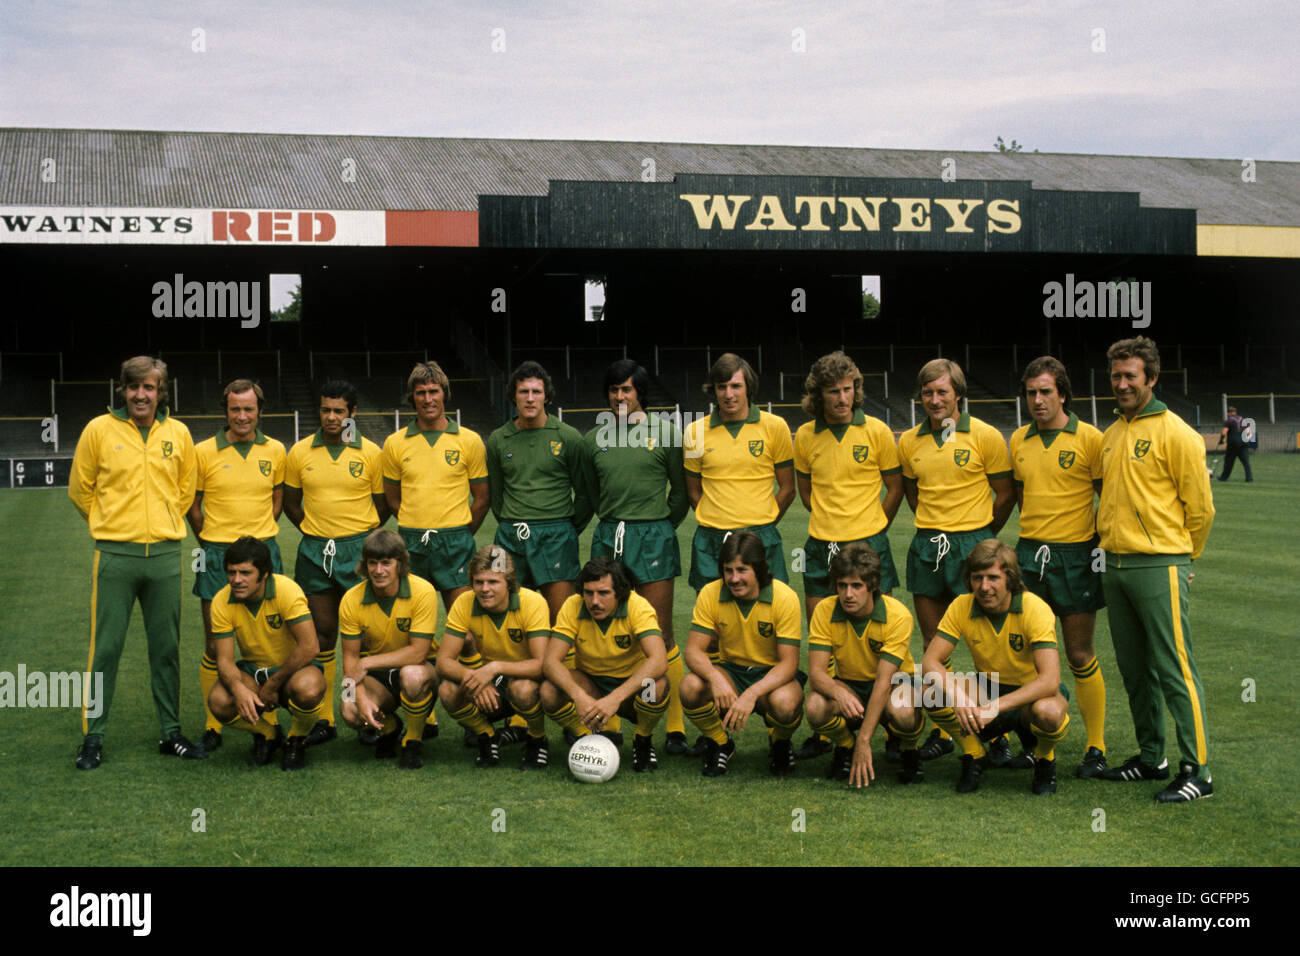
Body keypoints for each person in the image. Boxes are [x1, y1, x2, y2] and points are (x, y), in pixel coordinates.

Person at [69, 355, 205, 769]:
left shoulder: (178, 433)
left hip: (165, 556)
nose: (141, 395)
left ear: (161, 391)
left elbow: (186, 489)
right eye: (134, 387)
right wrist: (109, 524)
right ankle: (93, 737)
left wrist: (164, 522)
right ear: (123, 390)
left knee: (166, 648)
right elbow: (80, 489)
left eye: (149, 387)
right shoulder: (98, 429)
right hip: (115, 555)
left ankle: (171, 733)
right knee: (105, 649)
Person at [1096, 336, 1216, 802]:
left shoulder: (1178, 433)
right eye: (1116, 376)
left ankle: (1198, 771)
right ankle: (1152, 758)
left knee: (1174, 668)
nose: (1122, 384)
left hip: (1159, 564)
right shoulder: (1112, 433)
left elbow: (1201, 510)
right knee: (1133, 669)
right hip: (1116, 564)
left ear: (1151, 378)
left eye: (1131, 376)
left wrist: (1185, 560)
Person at [897, 358, 1014, 762]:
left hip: (972, 547)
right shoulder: (909, 441)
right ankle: (942, 731)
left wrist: (979, 536)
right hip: (927, 545)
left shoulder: (985, 436)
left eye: (942, 392)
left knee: (987, 647)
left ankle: (994, 729)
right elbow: (914, 496)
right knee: (933, 645)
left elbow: (1005, 494)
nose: (934, 400)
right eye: (927, 393)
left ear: (958, 395)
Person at [792, 350, 903, 761]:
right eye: (832, 392)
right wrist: (831, 524)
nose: (841, 398)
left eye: (847, 389)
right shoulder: (804, 436)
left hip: (870, 542)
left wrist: (874, 529)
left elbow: (894, 488)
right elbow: (807, 493)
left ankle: (891, 727)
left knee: (882, 636)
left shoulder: (876, 430)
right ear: (817, 395)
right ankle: (829, 732)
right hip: (822, 546)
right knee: (824, 636)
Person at [581, 359, 690, 755]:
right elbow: (593, 495)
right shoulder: (594, 438)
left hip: (655, 536)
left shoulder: (667, 433)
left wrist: (658, 527)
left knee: (661, 632)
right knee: (603, 627)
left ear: (640, 392)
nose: (619, 396)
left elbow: (680, 495)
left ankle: (675, 727)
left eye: (626, 389)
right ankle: (606, 723)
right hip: (610, 535)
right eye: (613, 390)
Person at [1009, 356, 1108, 778]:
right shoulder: (1018, 440)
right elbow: (1019, 496)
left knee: (1079, 652)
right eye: (1031, 393)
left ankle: (1096, 746)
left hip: (1077, 556)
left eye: (1046, 391)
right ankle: (1035, 742)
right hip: (1030, 555)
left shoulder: (1090, 439)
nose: (1038, 400)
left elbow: (1108, 499)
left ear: (1063, 394)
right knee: (1028, 657)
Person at [382, 361, 489, 741]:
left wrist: (458, 532)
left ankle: (479, 709)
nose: (428, 399)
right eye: (421, 393)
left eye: (434, 391)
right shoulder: (396, 443)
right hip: (411, 543)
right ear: (412, 398)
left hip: (455, 542)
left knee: (469, 630)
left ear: (445, 394)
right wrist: (417, 526)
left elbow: (481, 498)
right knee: (415, 631)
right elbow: (393, 499)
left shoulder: (470, 440)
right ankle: (422, 717)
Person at [284, 379, 389, 747]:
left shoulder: (371, 453)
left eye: (339, 411)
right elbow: (290, 503)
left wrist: (358, 536)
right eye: (326, 410)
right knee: (324, 633)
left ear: (352, 413)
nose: (331, 417)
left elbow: (384, 506)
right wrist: (316, 531)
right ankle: (326, 719)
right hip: (315, 552)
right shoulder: (298, 452)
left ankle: (373, 713)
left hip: (358, 552)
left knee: (369, 636)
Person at [920, 540, 1071, 795]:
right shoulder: (961, 605)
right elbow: (930, 662)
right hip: (987, 688)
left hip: (1030, 696)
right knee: (928, 691)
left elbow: (1049, 681)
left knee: (1050, 712)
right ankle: (975, 755)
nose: (984, 587)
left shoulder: (1035, 608)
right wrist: (957, 696)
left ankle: (1044, 758)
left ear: (1010, 578)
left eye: (993, 578)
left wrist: (995, 707)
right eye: (977, 578)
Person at [188, 379, 287, 755]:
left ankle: (270, 720)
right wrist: (213, 542)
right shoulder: (203, 452)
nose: (242, 416)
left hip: (265, 552)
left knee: (270, 642)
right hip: (215, 554)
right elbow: (192, 505)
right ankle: (213, 725)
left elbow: (277, 500)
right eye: (235, 409)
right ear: (225, 411)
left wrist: (257, 548)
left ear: (259, 411)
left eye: (249, 409)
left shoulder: (276, 449)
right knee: (215, 643)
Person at [680, 531, 804, 777]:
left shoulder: (784, 597)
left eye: (742, 570)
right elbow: (693, 652)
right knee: (690, 686)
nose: (734, 578)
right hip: (731, 672)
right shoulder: (710, 593)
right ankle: (720, 742)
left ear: (758, 569)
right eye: (728, 570)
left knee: (786, 703)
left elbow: (789, 664)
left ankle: (780, 742)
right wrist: (716, 679)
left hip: (772, 675)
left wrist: (752, 694)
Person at [803, 543, 924, 787]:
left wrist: (865, 740)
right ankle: (845, 746)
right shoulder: (824, 610)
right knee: (815, 705)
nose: (848, 594)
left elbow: (883, 681)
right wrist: (838, 692)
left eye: (856, 586)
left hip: (895, 684)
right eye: (842, 585)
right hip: (851, 684)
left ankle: (909, 749)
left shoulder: (898, 615)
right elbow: (816, 674)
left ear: (872, 586)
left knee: (902, 710)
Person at [486, 361, 592, 624]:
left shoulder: (568, 437)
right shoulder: (498, 439)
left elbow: (585, 494)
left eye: (536, 392)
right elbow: (496, 496)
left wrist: (564, 527)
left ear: (547, 396)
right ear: (513, 396)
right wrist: (512, 520)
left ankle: (560, 666)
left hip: (557, 536)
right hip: (511, 536)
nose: (530, 398)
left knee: (560, 621)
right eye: (524, 392)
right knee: (510, 619)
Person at [542, 557, 670, 773]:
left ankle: (643, 739)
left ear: (619, 592)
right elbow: (550, 662)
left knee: (654, 687)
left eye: (603, 593)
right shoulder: (573, 605)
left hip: (631, 688)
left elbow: (658, 660)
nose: (594, 601)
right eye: (588, 592)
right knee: (548, 691)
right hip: (591, 683)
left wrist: (615, 698)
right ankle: (584, 736)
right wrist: (579, 696)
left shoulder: (637, 605)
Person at [207, 537, 324, 770]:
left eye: (245, 573)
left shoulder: (286, 590)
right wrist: (239, 688)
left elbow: (310, 647)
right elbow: (224, 660)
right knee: (219, 701)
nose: (237, 580)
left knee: (309, 689)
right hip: (253, 672)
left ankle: (296, 739)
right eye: (231, 572)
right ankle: (268, 734)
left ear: (264, 574)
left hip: (293, 671)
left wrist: (273, 685)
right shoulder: (221, 600)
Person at [683, 353, 795, 592]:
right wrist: (717, 519)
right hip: (710, 539)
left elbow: (787, 488)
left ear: (748, 388)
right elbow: (693, 491)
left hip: (761, 536)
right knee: (710, 617)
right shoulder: (694, 432)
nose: (728, 394)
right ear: (713, 390)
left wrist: (763, 525)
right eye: (721, 387)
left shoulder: (776, 427)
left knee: (769, 611)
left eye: (736, 386)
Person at [437, 545, 552, 769]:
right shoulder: (464, 602)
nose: (484, 589)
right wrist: (475, 679)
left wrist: (493, 669)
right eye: (478, 582)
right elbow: (443, 662)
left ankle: (537, 738)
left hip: (526, 679)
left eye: (493, 582)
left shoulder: (532, 602)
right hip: (491, 681)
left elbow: (541, 665)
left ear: (509, 583)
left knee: (523, 689)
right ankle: (486, 735)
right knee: (448, 690)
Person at [337, 530, 439, 768]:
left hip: (421, 669)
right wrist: (361, 698)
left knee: (411, 675)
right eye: (372, 563)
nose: (378, 570)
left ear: (400, 564)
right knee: (348, 706)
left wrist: (366, 663)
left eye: (386, 563)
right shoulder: (351, 599)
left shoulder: (422, 591)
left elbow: (418, 652)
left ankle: (413, 741)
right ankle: (390, 729)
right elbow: (350, 658)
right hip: (378, 676)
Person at [1216, 405, 1253, 482]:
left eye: (1228, 412)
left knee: (1229, 461)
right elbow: (1249, 432)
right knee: (1246, 461)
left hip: (1233, 443)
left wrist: (1221, 440)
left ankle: (1224, 477)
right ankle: (1249, 478)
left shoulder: (1229, 421)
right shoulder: (1243, 420)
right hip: (1243, 442)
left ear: (1230, 413)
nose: (1227, 414)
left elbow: (1224, 432)